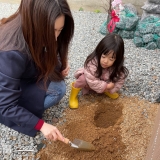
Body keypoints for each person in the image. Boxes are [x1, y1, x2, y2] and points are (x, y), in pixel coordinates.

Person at [0, 0, 74, 142]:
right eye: (52, 30)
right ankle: (24, 112)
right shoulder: (12, 53)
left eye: (60, 30)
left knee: (57, 80)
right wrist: (41, 125)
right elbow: (5, 105)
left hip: (20, 74)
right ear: (37, 22)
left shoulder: (28, 22)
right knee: (58, 90)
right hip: (4, 94)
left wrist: (61, 63)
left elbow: (47, 50)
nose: (55, 37)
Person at [69, 33, 129, 109]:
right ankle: (73, 97)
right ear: (99, 52)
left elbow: (120, 80)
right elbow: (92, 81)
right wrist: (106, 86)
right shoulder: (92, 62)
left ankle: (106, 91)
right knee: (82, 79)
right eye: (103, 56)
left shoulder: (117, 67)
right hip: (89, 84)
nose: (106, 61)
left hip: (102, 85)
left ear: (117, 59)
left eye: (111, 59)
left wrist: (111, 89)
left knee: (113, 79)